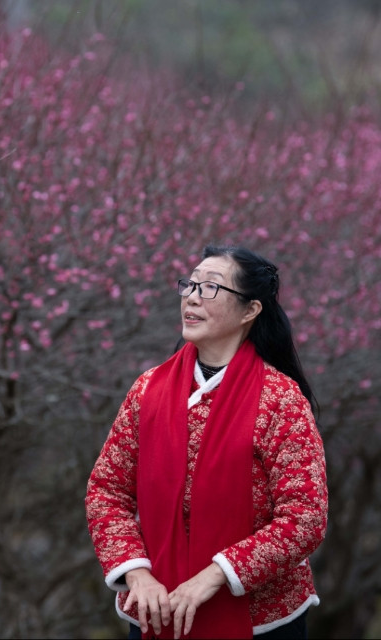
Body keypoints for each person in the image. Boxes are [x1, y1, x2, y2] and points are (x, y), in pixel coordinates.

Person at [85, 244, 328, 639]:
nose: (192, 297)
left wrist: (216, 574)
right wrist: (137, 573)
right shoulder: (148, 389)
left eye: (211, 287)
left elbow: (305, 517)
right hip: (155, 609)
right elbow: (106, 491)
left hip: (261, 621)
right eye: (190, 284)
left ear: (250, 310)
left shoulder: (280, 399)